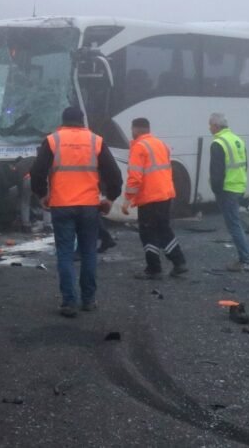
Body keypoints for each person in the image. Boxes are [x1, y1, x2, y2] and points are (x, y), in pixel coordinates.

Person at [30, 107, 122, 317]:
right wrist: (110, 198)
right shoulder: (95, 141)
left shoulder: (53, 140)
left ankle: (69, 302)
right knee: (89, 252)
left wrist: (42, 194)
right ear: (82, 121)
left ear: (63, 121)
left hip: (61, 205)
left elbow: (37, 172)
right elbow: (114, 174)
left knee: (65, 253)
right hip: (89, 206)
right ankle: (88, 300)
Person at [122, 118, 188, 278]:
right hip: (165, 194)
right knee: (163, 228)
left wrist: (127, 199)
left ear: (135, 130)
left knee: (147, 232)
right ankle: (178, 262)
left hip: (149, 197)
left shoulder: (139, 147)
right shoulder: (160, 144)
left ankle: (154, 268)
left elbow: (135, 178)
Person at [208, 112, 249, 272]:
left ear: (217, 126)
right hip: (238, 187)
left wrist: (216, 190)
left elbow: (217, 172)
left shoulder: (218, 143)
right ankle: (245, 257)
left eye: (210, 125)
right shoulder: (237, 140)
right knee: (235, 223)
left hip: (227, 190)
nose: (209, 128)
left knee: (234, 225)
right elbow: (245, 165)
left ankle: (245, 259)